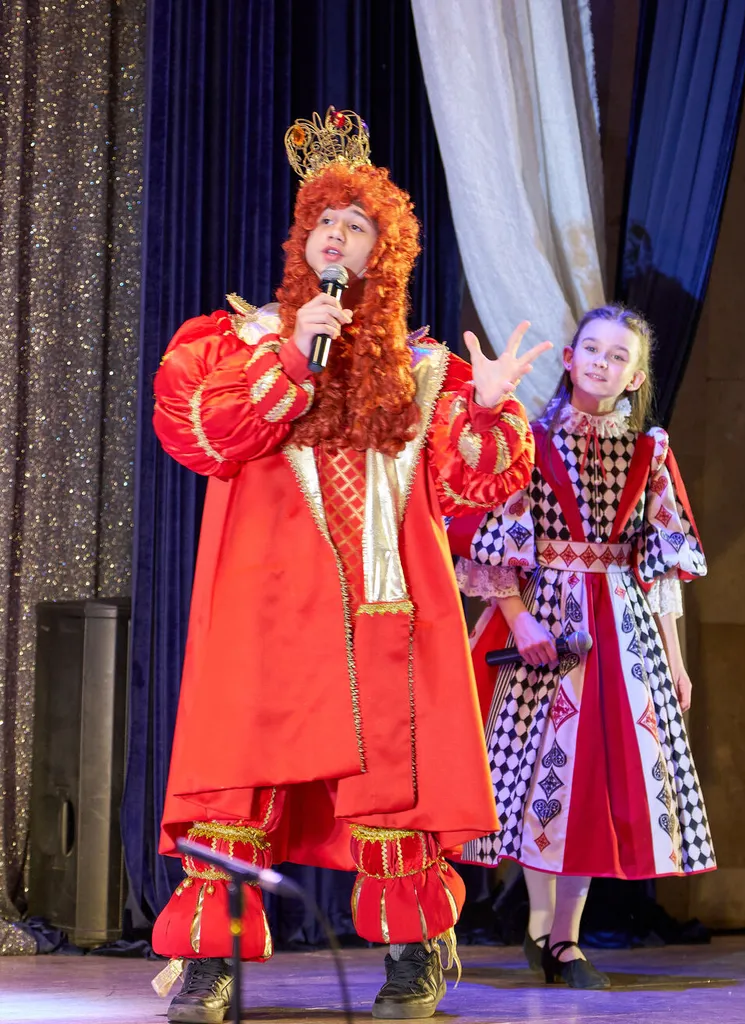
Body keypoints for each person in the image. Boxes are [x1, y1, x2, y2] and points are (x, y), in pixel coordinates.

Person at [149, 107, 551, 1023]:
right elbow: (199, 434)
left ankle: (414, 953)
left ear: (385, 254)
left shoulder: (425, 371)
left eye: (358, 225)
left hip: (382, 609)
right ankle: (212, 961)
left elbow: (473, 484)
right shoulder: (232, 343)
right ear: (302, 241)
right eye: (324, 220)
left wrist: (489, 410)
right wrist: (293, 357)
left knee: (390, 787)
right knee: (235, 783)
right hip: (262, 612)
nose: (336, 235)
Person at [452, 304, 716, 989]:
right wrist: (519, 620)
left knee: (592, 781)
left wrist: (675, 660)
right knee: (537, 774)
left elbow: (660, 565)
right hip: (546, 624)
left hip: (621, 633)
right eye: (591, 349)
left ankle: (562, 938)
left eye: (618, 356)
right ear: (569, 359)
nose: (602, 362)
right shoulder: (529, 441)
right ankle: (534, 927)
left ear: (635, 378)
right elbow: (494, 542)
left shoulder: (649, 451)